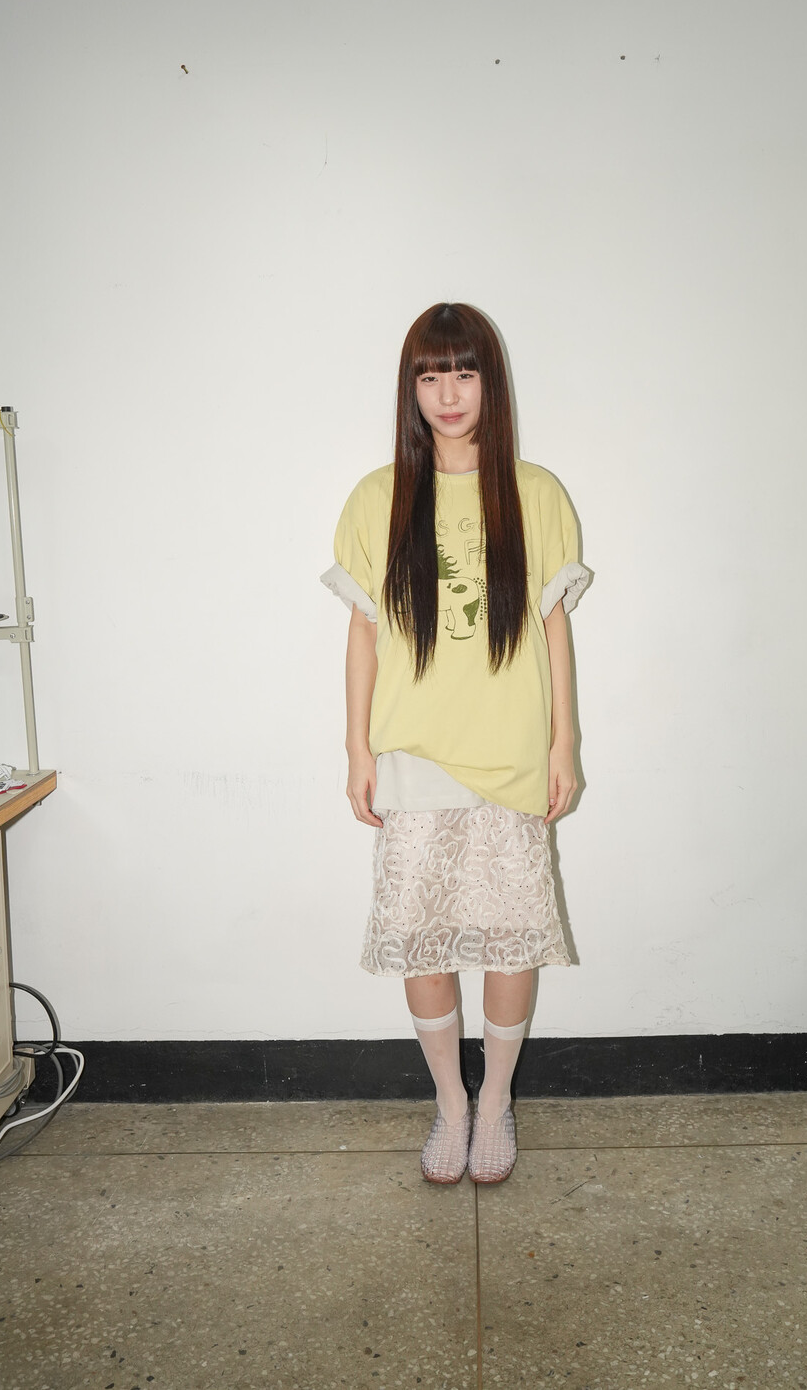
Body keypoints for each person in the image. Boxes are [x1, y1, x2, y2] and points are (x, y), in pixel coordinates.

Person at [321, 302, 589, 1185]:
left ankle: (497, 1100)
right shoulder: (378, 498)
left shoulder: (535, 493)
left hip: (511, 753)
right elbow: (363, 635)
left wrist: (564, 745)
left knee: (512, 940)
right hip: (414, 755)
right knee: (424, 939)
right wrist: (357, 752)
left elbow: (553, 628)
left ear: (489, 383)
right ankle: (451, 1104)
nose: (448, 393)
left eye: (464, 372)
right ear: (411, 388)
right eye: (430, 375)